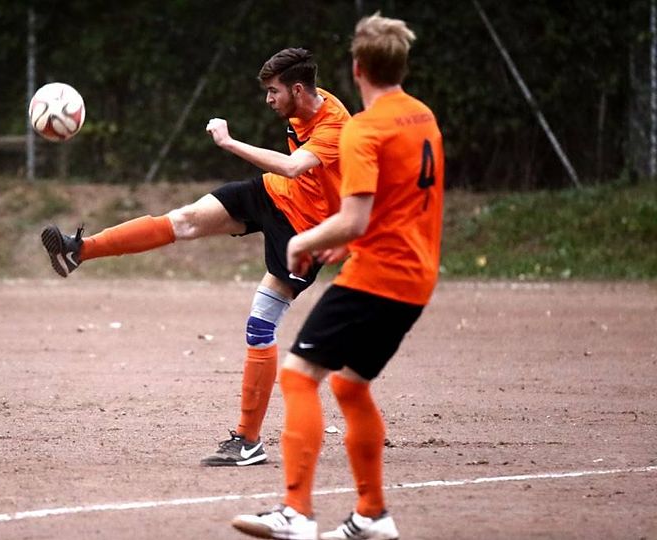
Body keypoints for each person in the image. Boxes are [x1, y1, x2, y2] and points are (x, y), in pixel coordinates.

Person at [41, 47, 350, 467]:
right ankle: (80, 250)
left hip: (305, 232)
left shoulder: (335, 124)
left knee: (260, 323)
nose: (268, 99)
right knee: (184, 220)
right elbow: (290, 175)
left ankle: (248, 441)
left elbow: (294, 166)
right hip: (274, 194)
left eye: (273, 92)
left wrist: (229, 142)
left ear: (297, 89)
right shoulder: (304, 102)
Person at [231, 13, 444, 540]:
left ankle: (295, 513)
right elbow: (399, 206)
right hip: (418, 277)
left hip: (377, 276)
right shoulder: (423, 118)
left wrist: (303, 242)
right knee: (350, 385)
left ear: (356, 69)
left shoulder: (362, 129)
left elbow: (355, 218)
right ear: (401, 65)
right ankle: (372, 515)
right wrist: (341, 243)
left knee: (299, 375)